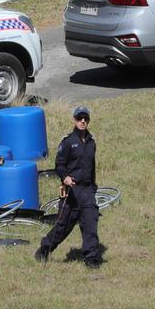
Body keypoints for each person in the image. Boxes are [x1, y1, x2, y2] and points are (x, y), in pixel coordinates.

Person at [35, 106, 102, 269]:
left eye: (85, 118)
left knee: (90, 224)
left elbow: (92, 167)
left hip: (86, 191)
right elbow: (59, 164)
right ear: (74, 120)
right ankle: (44, 249)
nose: (82, 121)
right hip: (71, 191)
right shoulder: (68, 142)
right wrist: (64, 178)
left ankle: (91, 258)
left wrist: (93, 187)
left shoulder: (92, 142)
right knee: (63, 227)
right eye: (79, 118)